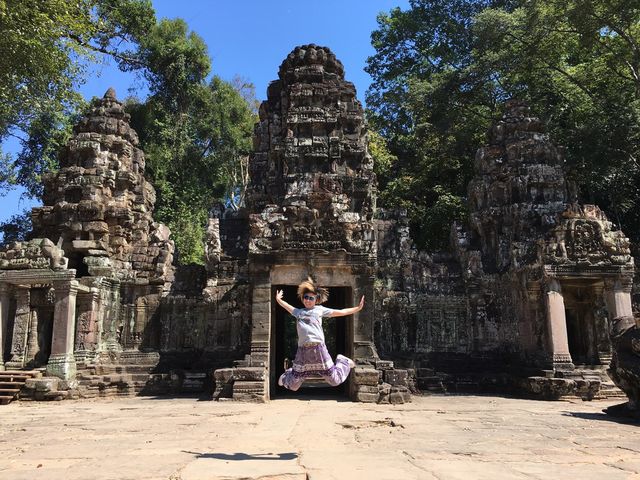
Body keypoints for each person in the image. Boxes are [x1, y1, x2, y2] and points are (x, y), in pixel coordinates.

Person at [275, 277, 364, 391]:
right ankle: (286, 376)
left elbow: (341, 312)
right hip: (303, 350)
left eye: (311, 298)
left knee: (335, 380)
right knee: (293, 386)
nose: (307, 300)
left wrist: (357, 308)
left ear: (316, 300)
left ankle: (343, 361)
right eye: (305, 297)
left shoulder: (319, 310)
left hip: (319, 348)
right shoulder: (298, 312)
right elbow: (287, 306)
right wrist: (278, 300)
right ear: (303, 298)